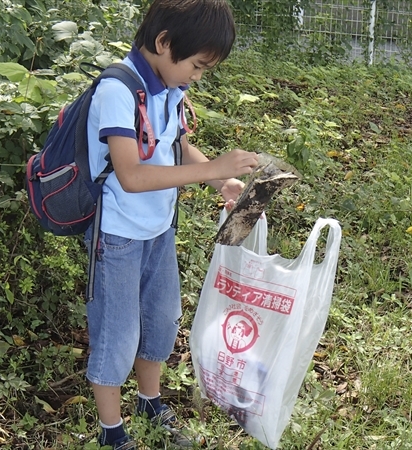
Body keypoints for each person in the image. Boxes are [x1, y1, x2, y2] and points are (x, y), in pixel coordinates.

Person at [84, 0, 259, 448]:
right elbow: (133, 174)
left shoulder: (169, 88)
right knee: (117, 333)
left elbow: (176, 149)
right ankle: (112, 432)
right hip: (118, 235)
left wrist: (220, 179)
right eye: (198, 65)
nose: (198, 76)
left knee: (161, 319)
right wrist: (211, 167)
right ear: (164, 43)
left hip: (159, 229)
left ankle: (150, 400)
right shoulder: (117, 90)